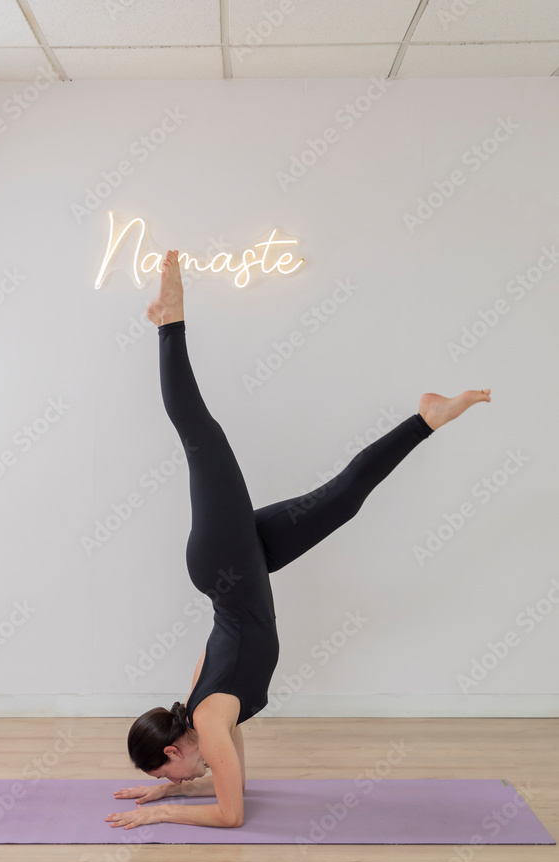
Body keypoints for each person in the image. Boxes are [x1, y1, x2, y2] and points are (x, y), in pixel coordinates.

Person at [105, 250, 491, 831]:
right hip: (243, 565)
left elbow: (231, 815)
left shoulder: (207, 723)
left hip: (225, 563)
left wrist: (164, 815)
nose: (179, 781)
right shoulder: (204, 716)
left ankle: (170, 321)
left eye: (168, 774)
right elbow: (232, 786)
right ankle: (427, 417)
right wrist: (169, 792)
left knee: (201, 435)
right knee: (343, 499)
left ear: (172, 750)